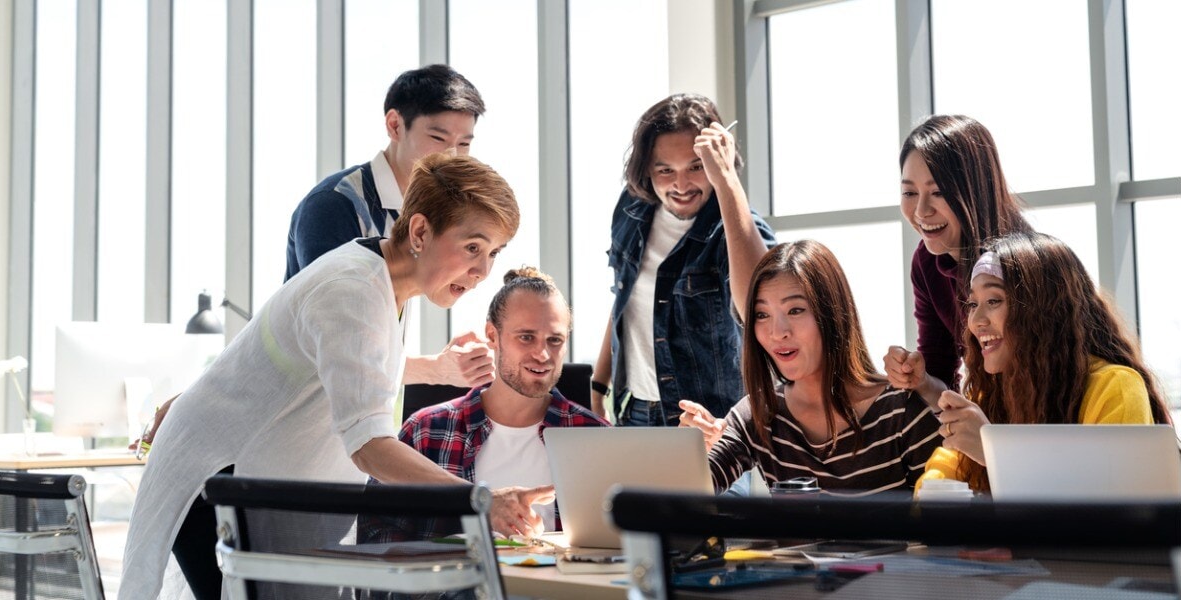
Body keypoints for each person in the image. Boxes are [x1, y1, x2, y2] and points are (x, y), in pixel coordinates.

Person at [120, 154, 553, 600]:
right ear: (420, 232)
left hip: (259, 476)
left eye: (493, 253)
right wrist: (479, 500)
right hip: (214, 477)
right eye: (472, 248)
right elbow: (368, 445)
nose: (483, 272)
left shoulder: (386, 285)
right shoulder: (353, 290)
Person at [360, 267, 609, 543]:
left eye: (554, 340)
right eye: (526, 337)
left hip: (560, 587)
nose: (542, 354)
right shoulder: (424, 431)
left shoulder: (597, 438)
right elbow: (375, 532)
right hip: (452, 584)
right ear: (492, 335)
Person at [287, 63, 494, 390]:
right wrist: (435, 370)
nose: (452, 157)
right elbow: (338, 347)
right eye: (438, 138)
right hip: (300, 411)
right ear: (395, 125)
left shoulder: (420, 212)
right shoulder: (336, 204)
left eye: (465, 144)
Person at [678, 241, 942, 494]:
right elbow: (691, 492)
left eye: (795, 310)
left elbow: (948, 522)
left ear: (832, 313)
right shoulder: (758, 414)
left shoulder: (901, 409)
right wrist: (689, 452)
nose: (777, 332)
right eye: (762, 314)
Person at [917, 232, 1171, 492]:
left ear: (1042, 311)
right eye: (972, 303)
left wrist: (993, 453)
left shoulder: (1115, 387)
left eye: (993, 301)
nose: (976, 321)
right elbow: (935, 481)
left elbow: (1111, 510)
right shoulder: (990, 393)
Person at [591, 93, 775, 427]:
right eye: (665, 170)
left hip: (711, 424)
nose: (681, 184)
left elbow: (760, 308)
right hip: (635, 415)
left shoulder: (737, 229)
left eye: (696, 167)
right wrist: (598, 384)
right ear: (647, 169)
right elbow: (624, 299)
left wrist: (726, 181)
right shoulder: (632, 210)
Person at [885, 115, 1033, 407]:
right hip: (994, 425)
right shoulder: (927, 263)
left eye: (938, 192)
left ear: (975, 189)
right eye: (909, 193)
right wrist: (918, 377)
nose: (921, 211)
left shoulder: (1026, 263)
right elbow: (941, 372)